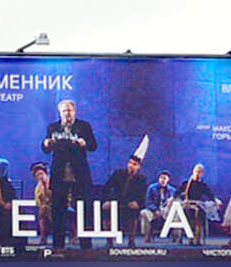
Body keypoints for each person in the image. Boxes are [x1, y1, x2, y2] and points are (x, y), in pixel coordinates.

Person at [42, 99, 98, 248]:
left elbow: (93, 146)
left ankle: (86, 244)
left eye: (70, 110)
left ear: (75, 112)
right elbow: (46, 149)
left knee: (83, 209)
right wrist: (46, 144)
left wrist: (84, 143)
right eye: (65, 110)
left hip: (79, 174)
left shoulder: (84, 126)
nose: (67, 113)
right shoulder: (52, 127)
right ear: (60, 112)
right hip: (60, 174)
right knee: (58, 210)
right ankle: (58, 245)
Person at [109, 154, 150, 241]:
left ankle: (131, 241)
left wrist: (138, 203)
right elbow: (107, 187)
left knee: (133, 212)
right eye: (130, 163)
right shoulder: (118, 174)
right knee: (107, 210)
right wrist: (107, 201)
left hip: (130, 203)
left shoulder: (142, 179)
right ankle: (109, 242)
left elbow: (142, 195)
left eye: (134, 164)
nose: (131, 166)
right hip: (116, 201)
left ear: (139, 167)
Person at [176, 163, 221, 243]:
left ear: (202, 174)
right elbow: (177, 193)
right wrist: (173, 199)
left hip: (198, 205)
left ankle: (197, 237)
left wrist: (216, 200)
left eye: (199, 172)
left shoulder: (202, 185)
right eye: (196, 171)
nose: (197, 173)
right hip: (187, 205)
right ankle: (189, 235)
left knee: (199, 212)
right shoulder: (186, 183)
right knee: (186, 213)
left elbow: (210, 194)